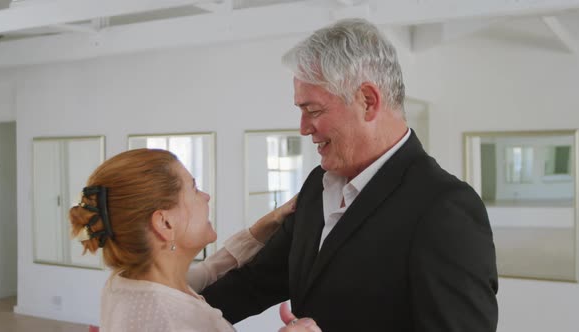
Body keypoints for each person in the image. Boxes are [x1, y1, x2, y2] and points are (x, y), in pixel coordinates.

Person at [201, 18, 498, 331]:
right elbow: (254, 283)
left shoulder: (444, 208)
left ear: (368, 102)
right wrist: (166, 311)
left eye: (313, 111)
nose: (303, 128)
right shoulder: (318, 185)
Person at [69, 148, 321, 332]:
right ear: (165, 223)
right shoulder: (183, 321)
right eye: (194, 188)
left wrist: (262, 228)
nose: (206, 197)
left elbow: (208, 271)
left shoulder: (124, 285)